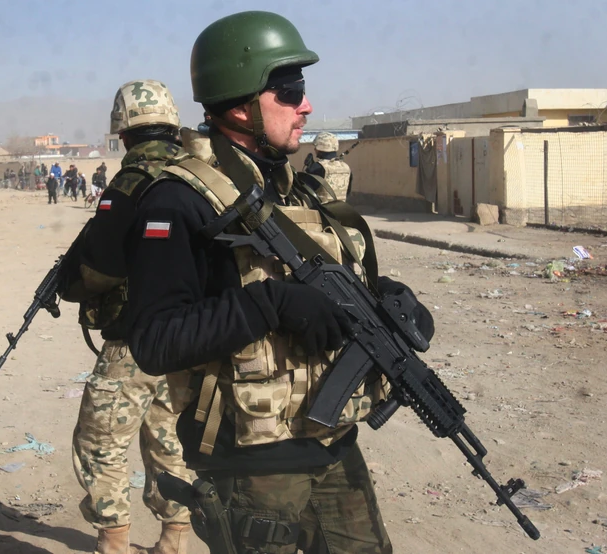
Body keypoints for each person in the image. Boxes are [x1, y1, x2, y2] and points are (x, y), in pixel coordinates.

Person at [123, 12, 434, 554]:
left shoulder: (296, 190)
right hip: (250, 463)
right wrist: (269, 304)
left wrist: (383, 300)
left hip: (333, 443)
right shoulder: (177, 200)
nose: (305, 105)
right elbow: (155, 340)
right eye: (289, 92)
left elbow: (322, 288)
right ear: (239, 104)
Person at [60, 79, 192, 554]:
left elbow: (100, 268)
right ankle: (175, 539)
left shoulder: (129, 183)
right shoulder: (199, 176)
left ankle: (113, 543)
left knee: (100, 440)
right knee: (169, 437)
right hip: (191, 338)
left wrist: (71, 284)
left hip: (136, 340)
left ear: (124, 134)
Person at [305, 131, 352, 201]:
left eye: (316, 147)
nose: (315, 149)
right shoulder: (346, 167)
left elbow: (307, 191)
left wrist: (309, 170)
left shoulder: (316, 167)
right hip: (341, 206)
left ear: (320, 147)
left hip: (321, 207)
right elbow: (348, 191)